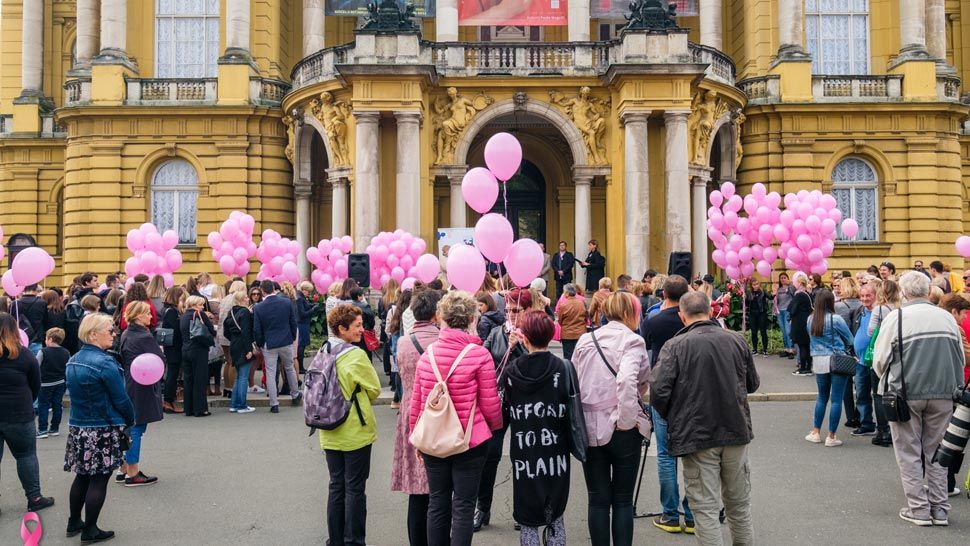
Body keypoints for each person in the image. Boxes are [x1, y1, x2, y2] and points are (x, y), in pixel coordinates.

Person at [651, 291, 759, 545]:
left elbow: (658, 391)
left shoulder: (676, 345)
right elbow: (752, 383)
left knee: (705, 509)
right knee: (739, 506)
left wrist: (675, 415)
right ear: (710, 311)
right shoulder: (735, 340)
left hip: (697, 434)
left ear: (681, 316)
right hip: (735, 430)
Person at [409, 291, 502, 546]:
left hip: (435, 440)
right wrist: (493, 427)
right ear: (472, 318)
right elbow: (490, 402)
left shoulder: (428, 355)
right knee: (463, 505)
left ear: (442, 318)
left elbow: (417, 403)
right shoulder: (479, 355)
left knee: (437, 502)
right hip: (470, 439)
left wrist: (416, 438)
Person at [873, 272, 964, 527]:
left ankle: (919, 509)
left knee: (908, 452)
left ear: (904, 292)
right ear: (927, 290)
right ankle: (940, 509)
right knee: (937, 452)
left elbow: (880, 360)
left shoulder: (896, 318)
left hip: (906, 393)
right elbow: (960, 356)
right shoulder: (946, 317)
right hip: (944, 393)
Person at [571, 292, 651, 544]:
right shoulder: (633, 341)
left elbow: (574, 379)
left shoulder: (585, 339)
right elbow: (630, 381)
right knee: (623, 499)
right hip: (621, 426)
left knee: (597, 498)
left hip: (589, 426)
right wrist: (626, 421)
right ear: (630, 312)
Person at [64, 313, 135, 542]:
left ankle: (74, 521)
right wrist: (130, 420)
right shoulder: (105, 363)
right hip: (102, 427)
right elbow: (121, 399)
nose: (114, 334)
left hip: (79, 426)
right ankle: (90, 529)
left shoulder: (72, 359)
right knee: (99, 479)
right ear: (93, 334)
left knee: (82, 476)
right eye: (110, 331)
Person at [503, 310, 572, 545]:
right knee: (556, 515)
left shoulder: (512, 371)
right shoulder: (562, 367)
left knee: (528, 518)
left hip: (524, 453)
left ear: (525, 337)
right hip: (556, 449)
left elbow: (505, 409)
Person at [319, 304, 382, 546]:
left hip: (328, 429)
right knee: (355, 488)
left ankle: (335, 540)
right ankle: (354, 540)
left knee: (336, 485)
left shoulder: (323, 351)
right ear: (342, 328)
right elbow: (374, 389)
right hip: (354, 429)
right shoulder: (355, 355)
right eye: (356, 326)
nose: (361, 329)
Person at [638, 275, 695, 533]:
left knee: (665, 455)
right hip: (693, 393)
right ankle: (693, 513)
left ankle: (670, 515)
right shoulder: (700, 321)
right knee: (694, 452)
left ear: (663, 295)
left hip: (662, 391)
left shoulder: (653, 321)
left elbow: (646, 348)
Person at [476, 289, 531, 532]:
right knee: (490, 455)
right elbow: (484, 359)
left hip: (523, 402)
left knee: (522, 457)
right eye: (507, 310)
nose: (510, 315)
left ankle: (523, 510)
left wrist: (519, 347)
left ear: (527, 312)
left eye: (516, 311)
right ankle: (482, 507)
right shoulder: (497, 333)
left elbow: (533, 367)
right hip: (498, 401)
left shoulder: (533, 335)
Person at [392, 289, 442, 546]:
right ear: (436, 313)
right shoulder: (442, 341)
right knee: (439, 487)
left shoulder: (403, 342)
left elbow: (401, 376)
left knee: (416, 490)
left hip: (410, 410)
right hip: (437, 412)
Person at [0, 312, 55, 514]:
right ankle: (34, 497)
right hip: (19, 413)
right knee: (26, 456)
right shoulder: (24, 354)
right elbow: (36, 383)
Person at [116, 301, 164, 486]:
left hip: (130, 380)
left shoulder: (127, 332)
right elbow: (159, 360)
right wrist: (160, 353)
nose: (151, 316)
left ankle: (123, 469)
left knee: (129, 425)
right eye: (147, 314)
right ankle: (133, 473)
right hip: (141, 384)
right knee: (136, 428)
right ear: (138, 315)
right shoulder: (144, 336)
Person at [804, 289, 854, 447]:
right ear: (831, 302)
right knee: (837, 399)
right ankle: (831, 436)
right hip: (836, 360)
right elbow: (850, 340)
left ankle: (815, 432)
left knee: (822, 397)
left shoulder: (810, 319)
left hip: (818, 361)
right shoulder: (836, 319)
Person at [939, 293, 970, 496]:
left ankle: (941, 482)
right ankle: (947, 483)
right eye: (963, 314)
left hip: (931, 388)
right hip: (955, 389)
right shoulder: (955, 328)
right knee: (953, 438)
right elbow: (968, 357)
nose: (964, 318)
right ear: (954, 311)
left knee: (939, 437)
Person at [253, 280, 300, 413]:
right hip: (286, 341)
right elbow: (293, 322)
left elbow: (257, 329)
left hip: (269, 343)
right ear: (273, 288)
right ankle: (295, 394)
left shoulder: (258, 307)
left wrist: (261, 343)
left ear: (262, 291)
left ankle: (274, 403)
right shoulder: (286, 302)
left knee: (270, 372)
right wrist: (291, 337)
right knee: (289, 368)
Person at [834, 278, 864, 429]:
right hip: (860, 348)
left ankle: (851, 417)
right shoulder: (862, 304)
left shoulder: (838, 306)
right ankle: (861, 414)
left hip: (844, 348)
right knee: (861, 384)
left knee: (846, 384)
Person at [180, 295, 216, 417]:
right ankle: (200, 409)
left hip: (185, 349)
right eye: (200, 304)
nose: (202, 307)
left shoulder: (183, 316)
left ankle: (188, 408)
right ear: (195, 305)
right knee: (200, 380)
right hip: (198, 350)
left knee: (188, 379)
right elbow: (210, 330)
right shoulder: (199, 314)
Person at [850, 283, 877, 437]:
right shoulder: (859, 312)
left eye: (868, 295)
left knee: (879, 395)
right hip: (860, 360)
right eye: (863, 296)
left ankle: (883, 426)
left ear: (875, 295)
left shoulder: (880, 312)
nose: (865, 299)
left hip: (875, 361)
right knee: (861, 394)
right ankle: (866, 424)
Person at [224, 290, 256, 414]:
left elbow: (225, 331)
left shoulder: (231, 312)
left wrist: (233, 339)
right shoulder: (245, 312)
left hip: (234, 344)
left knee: (239, 376)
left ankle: (234, 404)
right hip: (243, 345)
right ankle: (241, 405)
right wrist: (249, 349)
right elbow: (246, 332)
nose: (248, 298)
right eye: (246, 297)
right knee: (243, 377)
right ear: (242, 299)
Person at [36, 327, 70, 439]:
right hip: (60, 382)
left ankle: (42, 429)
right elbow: (68, 368)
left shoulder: (43, 352)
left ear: (50, 339)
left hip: (45, 384)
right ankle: (54, 428)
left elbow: (36, 366)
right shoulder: (66, 352)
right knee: (57, 405)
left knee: (43, 406)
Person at [160, 286, 185, 414]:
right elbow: (176, 330)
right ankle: (168, 402)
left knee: (172, 374)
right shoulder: (171, 312)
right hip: (174, 347)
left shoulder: (169, 310)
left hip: (171, 347)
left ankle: (169, 401)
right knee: (172, 375)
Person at [789, 273, 814, 376]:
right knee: (806, 345)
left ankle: (803, 368)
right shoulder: (806, 294)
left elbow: (792, 309)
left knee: (802, 345)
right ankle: (808, 367)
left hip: (799, 322)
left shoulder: (799, 294)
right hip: (806, 321)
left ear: (799, 283)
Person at [556, 283, 587, 360]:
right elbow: (586, 317)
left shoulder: (563, 305)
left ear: (566, 293)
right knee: (580, 357)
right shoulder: (581, 303)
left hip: (567, 334)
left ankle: (569, 371)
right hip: (580, 332)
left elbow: (560, 321)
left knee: (568, 357)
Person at [295, 281, 319, 374]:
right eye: (308, 291)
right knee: (301, 346)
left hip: (302, 324)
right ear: (303, 289)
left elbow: (305, 306)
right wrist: (313, 310)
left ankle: (300, 366)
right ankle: (300, 367)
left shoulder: (300, 297)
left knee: (302, 346)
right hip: (302, 324)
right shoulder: (300, 298)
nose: (309, 293)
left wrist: (313, 305)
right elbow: (302, 314)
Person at [746, 279, 770, 356]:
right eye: (754, 284)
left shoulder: (763, 292)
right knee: (753, 332)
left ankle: (765, 349)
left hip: (762, 313)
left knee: (763, 331)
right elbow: (745, 303)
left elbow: (770, 297)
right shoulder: (749, 293)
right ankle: (755, 349)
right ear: (751, 286)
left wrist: (775, 293)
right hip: (752, 314)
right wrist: (743, 297)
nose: (755, 286)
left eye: (757, 284)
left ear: (759, 284)